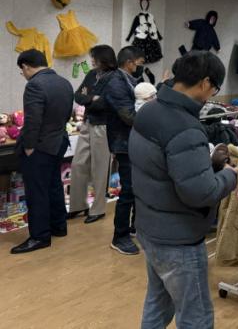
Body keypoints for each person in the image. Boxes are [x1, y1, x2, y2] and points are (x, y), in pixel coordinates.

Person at [129, 51, 238, 329]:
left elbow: (161, 168)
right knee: (195, 316)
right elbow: (200, 193)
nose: (211, 95)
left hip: (149, 226)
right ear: (205, 83)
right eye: (214, 89)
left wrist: (206, 165)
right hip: (178, 237)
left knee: (157, 304)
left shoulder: (149, 110)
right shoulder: (185, 127)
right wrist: (229, 176)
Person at [10, 50, 74, 254]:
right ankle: (59, 226)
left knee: (36, 191)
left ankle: (39, 236)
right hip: (59, 142)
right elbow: (66, 115)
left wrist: (29, 146)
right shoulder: (64, 82)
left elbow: (32, 120)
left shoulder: (35, 85)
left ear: (26, 66)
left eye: (22, 71)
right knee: (54, 184)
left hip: (39, 146)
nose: (23, 74)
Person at [68, 45, 117, 225]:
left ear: (104, 59)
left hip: (103, 126)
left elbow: (106, 103)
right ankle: (78, 205)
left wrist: (90, 99)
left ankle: (98, 209)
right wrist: (91, 99)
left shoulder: (115, 77)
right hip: (87, 123)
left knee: (100, 168)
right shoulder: (91, 75)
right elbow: (78, 96)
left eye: (94, 57)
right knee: (78, 164)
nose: (92, 60)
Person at [103, 45, 145, 255]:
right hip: (123, 143)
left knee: (139, 188)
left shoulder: (132, 80)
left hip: (136, 141)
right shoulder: (116, 83)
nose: (140, 67)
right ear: (130, 62)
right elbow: (129, 116)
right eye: (140, 63)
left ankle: (136, 227)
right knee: (128, 189)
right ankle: (119, 237)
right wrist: (153, 115)